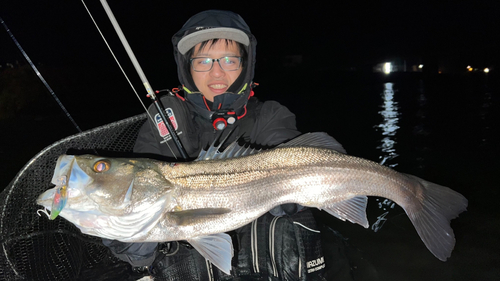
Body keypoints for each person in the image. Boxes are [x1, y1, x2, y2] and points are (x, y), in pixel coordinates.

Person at [103, 10, 342, 280]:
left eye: (229, 60)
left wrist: (293, 198)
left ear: (245, 64)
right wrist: (129, 236)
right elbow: (138, 230)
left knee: (284, 223)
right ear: (187, 66)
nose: (216, 72)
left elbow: (302, 167)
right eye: (203, 61)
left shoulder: (271, 116)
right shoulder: (164, 123)